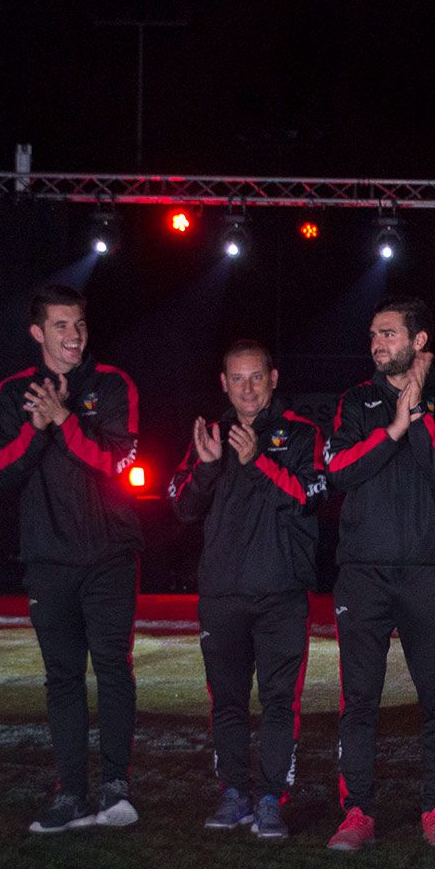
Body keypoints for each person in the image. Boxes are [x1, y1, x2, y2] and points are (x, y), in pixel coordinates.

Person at [0, 284, 142, 833]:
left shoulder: (113, 384)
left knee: (113, 669)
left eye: (79, 324)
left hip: (110, 553)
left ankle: (116, 787)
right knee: (63, 678)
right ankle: (71, 792)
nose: (73, 335)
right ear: (37, 332)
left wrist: (65, 420)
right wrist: (37, 427)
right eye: (60, 326)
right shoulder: (12, 393)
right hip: (47, 558)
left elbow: (117, 464)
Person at [322, 297, 435, 852]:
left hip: (429, 572)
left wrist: (418, 413)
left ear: (418, 340)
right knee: (359, 701)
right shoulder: (355, 401)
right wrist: (392, 429)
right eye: (373, 335)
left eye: (387, 334)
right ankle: (357, 811)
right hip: (364, 575)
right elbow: (338, 470)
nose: (376, 344)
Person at [169, 339, 325, 840]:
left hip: (281, 594)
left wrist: (258, 460)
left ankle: (271, 799)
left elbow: (306, 498)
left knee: (279, 702)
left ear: (273, 378)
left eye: (256, 377)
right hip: (222, 596)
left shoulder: (301, 433)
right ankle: (234, 793)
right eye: (237, 379)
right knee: (228, 703)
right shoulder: (211, 436)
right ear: (223, 383)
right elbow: (182, 506)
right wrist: (207, 467)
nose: (248, 388)